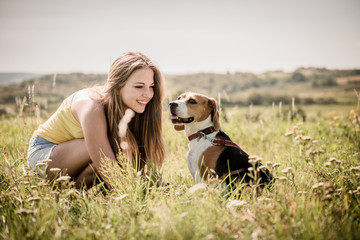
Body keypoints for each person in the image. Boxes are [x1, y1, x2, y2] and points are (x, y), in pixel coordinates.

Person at [27, 52, 166, 189]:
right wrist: (134, 198)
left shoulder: (131, 108)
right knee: (112, 149)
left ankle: (71, 191)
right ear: (117, 86)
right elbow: (108, 166)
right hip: (45, 153)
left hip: (78, 156)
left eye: (151, 86)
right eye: (139, 86)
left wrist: (156, 187)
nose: (148, 94)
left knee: (118, 154)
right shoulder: (92, 107)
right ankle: (66, 193)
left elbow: (138, 166)